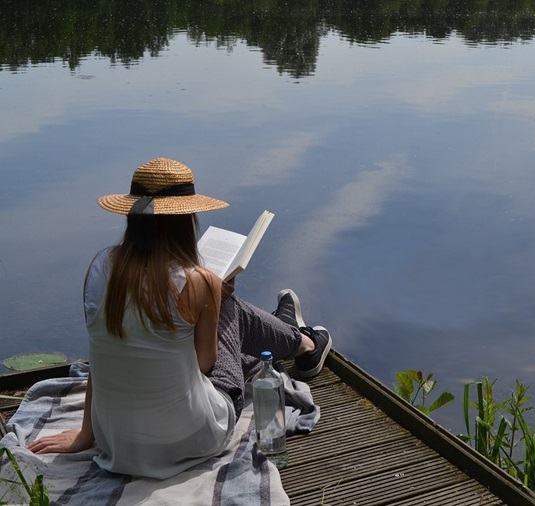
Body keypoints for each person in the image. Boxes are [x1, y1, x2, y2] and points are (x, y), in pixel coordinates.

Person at [26, 157, 332, 479]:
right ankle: (303, 343)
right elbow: (204, 364)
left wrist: (86, 435)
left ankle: (290, 334)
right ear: (183, 219)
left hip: (118, 442)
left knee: (220, 314)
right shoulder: (198, 281)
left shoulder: (100, 268)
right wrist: (215, 298)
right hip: (194, 438)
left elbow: (100, 357)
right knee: (231, 310)